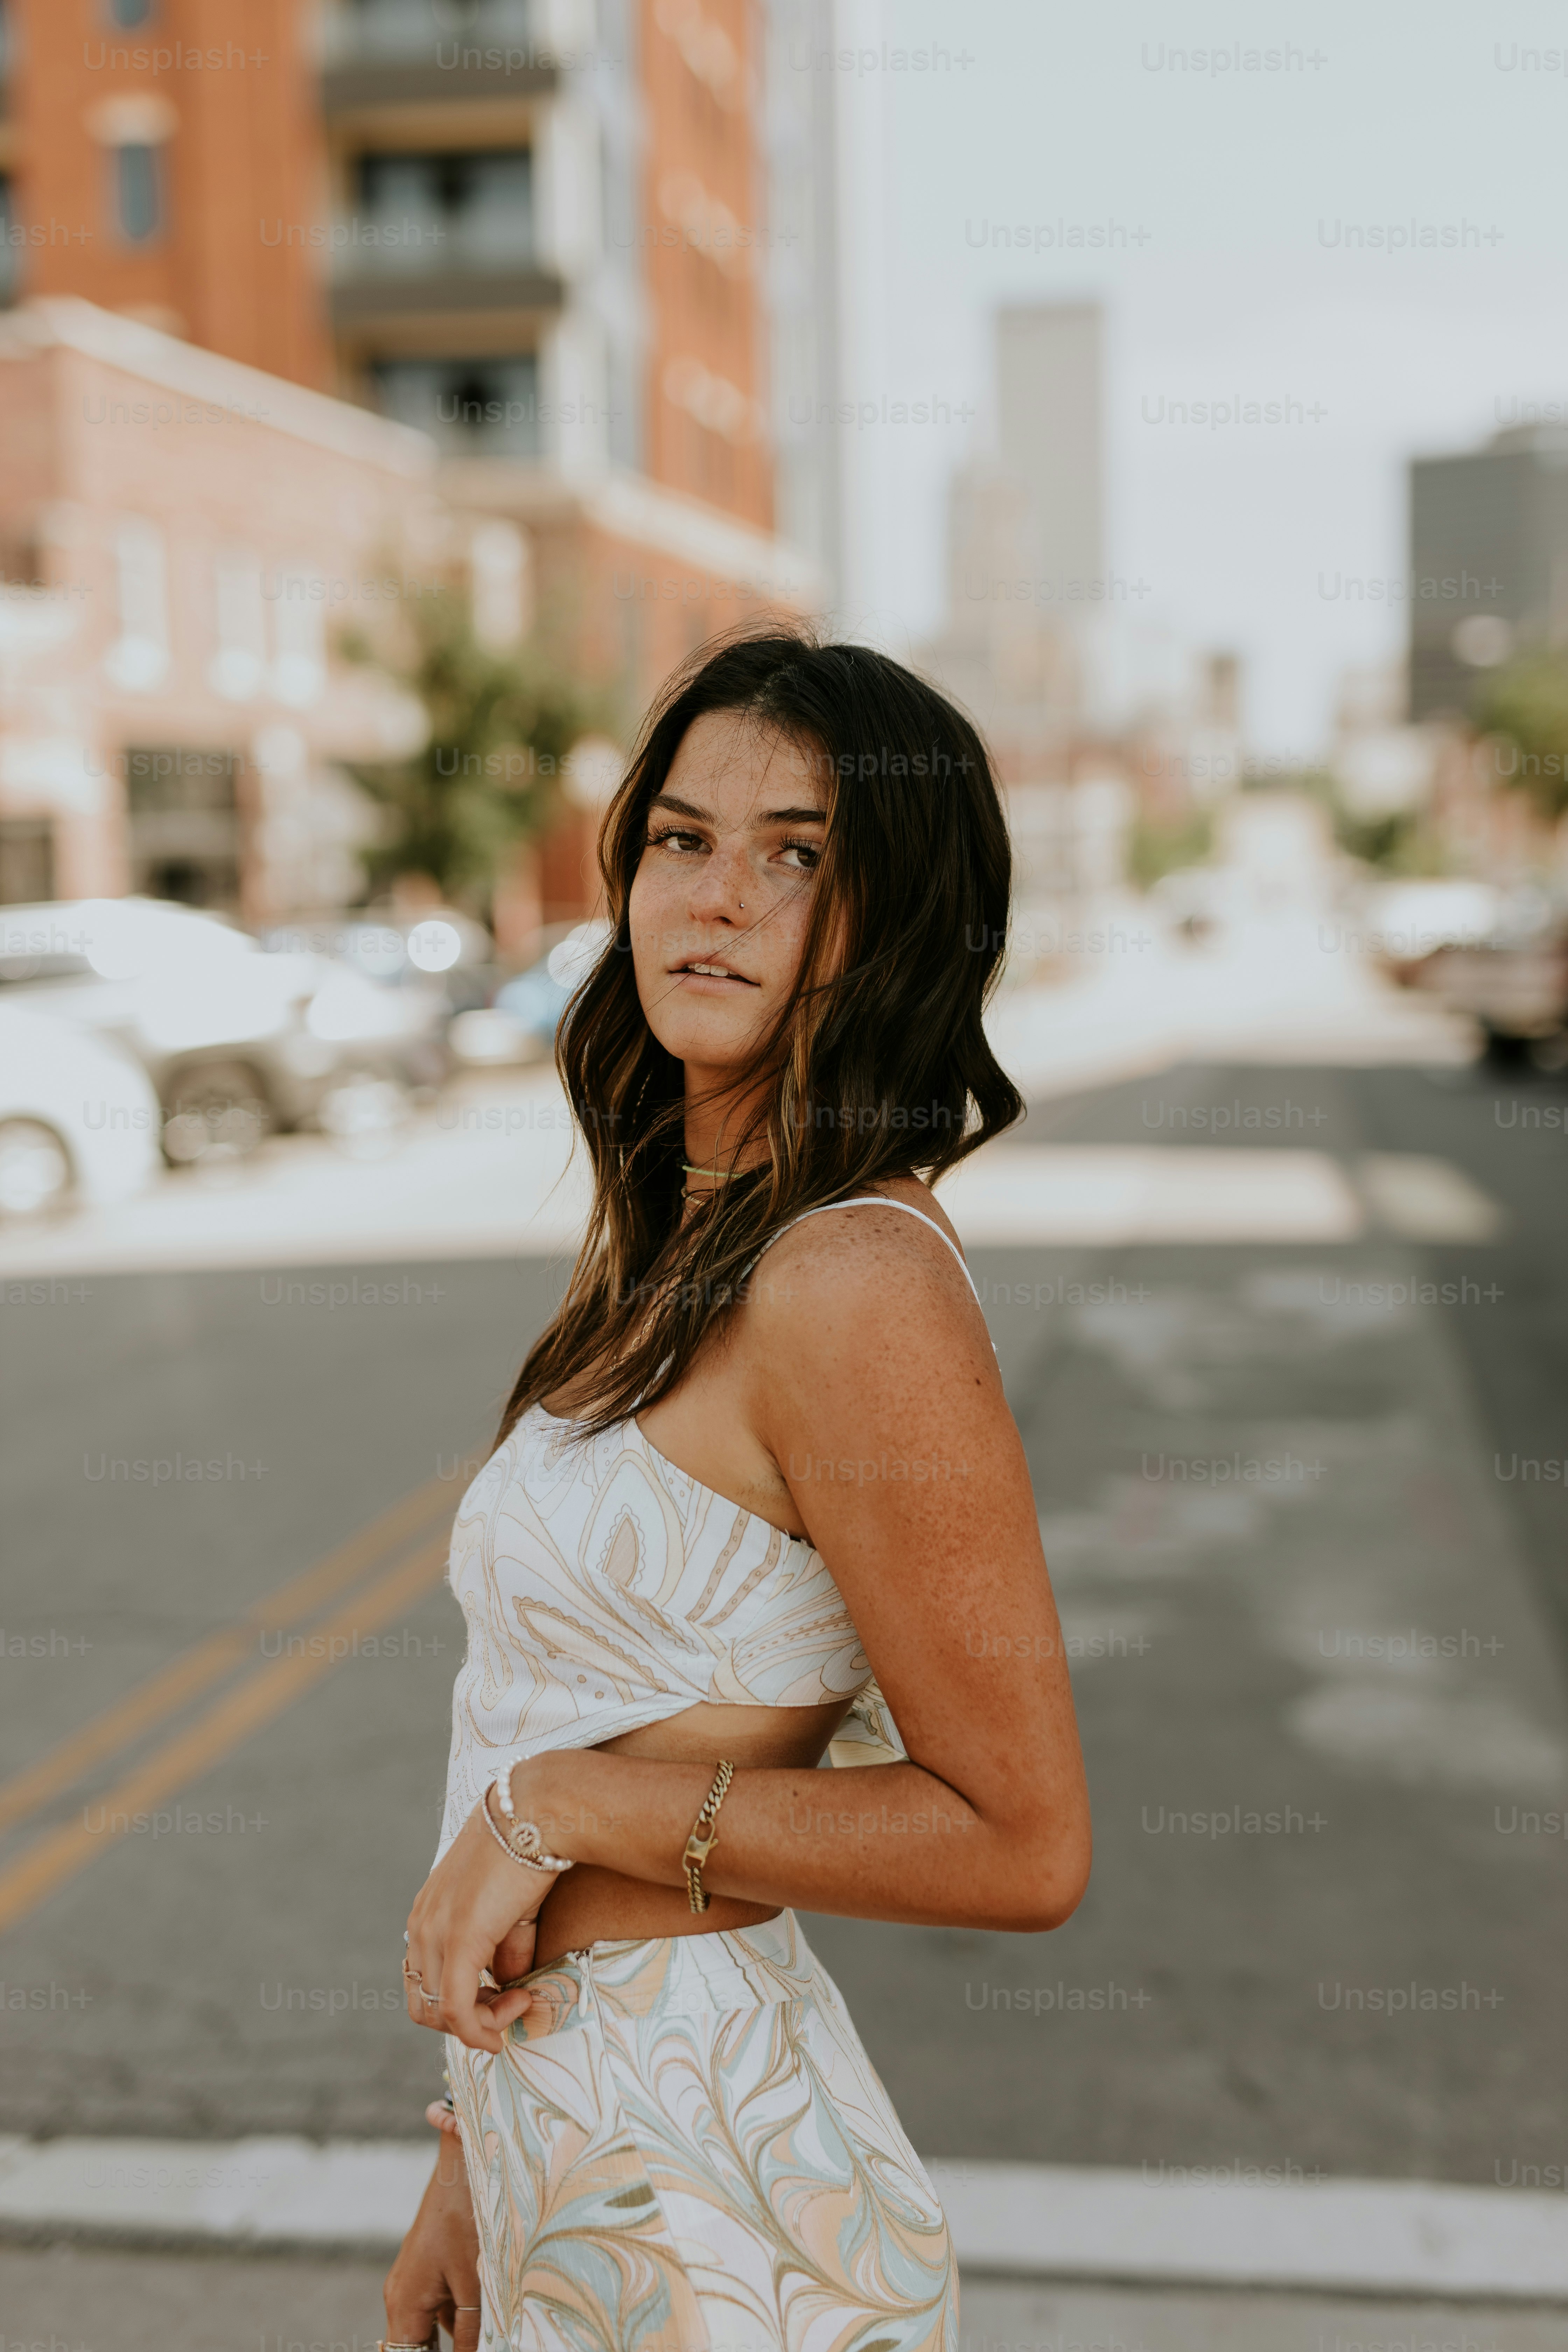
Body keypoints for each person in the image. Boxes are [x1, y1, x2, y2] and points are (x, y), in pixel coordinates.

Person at [382, 631, 1091, 2352]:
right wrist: (467, 2170)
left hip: (713, 2199)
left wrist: (569, 1806)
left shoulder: (852, 1280)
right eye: (682, 839)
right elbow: (548, 1702)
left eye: (799, 856)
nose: (715, 900)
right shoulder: (694, 1230)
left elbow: (1021, 1841)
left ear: (903, 919)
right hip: (575, 2132)